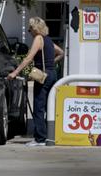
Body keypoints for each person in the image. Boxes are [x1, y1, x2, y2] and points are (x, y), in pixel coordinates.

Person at [7, 17, 64, 146]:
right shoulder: (48, 40)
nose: (29, 31)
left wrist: (15, 72)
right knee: (48, 106)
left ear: (35, 29)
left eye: (30, 29)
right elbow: (61, 52)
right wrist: (51, 64)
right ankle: (50, 135)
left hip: (43, 76)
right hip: (52, 74)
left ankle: (40, 139)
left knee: (38, 107)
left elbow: (28, 58)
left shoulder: (38, 39)